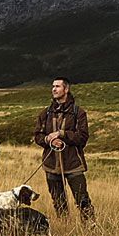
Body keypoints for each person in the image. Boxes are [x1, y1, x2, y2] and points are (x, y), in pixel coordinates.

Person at [34, 77, 95, 224]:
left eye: (58, 86)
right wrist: (49, 140)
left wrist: (62, 135)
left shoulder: (78, 113)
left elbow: (82, 137)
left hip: (73, 163)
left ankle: (90, 227)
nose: (54, 89)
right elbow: (38, 136)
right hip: (51, 164)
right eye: (53, 86)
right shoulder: (45, 113)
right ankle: (65, 227)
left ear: (66, 89)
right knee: (58, 201)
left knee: (82, 199)